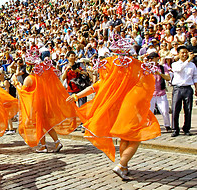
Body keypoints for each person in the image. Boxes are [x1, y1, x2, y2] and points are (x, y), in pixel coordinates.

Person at [66, 38, 161, 181]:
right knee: (135, 138)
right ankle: (122, 165)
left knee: (125, 137)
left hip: (119, 108)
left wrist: (76, 96)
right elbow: (147, 85)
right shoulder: (135, 70)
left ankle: (125, 166)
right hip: (131, 107)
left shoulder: (112, 73)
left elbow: (95, 87)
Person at [12, 52, 78, 153]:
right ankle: (56, 142)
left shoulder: (29, 79)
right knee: (46, 124)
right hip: (43, 104)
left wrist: (16, 83)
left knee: (39, 125)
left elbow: (23, 92)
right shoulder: (41, 78)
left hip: (36, 105)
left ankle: (43, 146)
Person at [170, 45, 197, 137]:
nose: (185, 54)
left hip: (188, 88)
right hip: (178, 88)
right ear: (179, 54)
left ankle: (186, 128)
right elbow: (178, 70)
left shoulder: (192, 65)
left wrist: (196, 88)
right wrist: (188, 60)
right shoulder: (175, 64)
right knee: (175, 109)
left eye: (186, 52)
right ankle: (175, 129)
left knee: (188, 109)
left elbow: (195, 77)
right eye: (183, 53)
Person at [147, 52, 172, 132]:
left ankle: (167, 125)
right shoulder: (147, 67)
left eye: (152, 58)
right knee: (150, 111)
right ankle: (150, 126)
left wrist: (159, 73)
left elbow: (168, 78)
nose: (150, 60)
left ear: (157, 58)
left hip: (161, 92)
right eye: (149, 58)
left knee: (164, 110)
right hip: (151, 93)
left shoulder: (162, 67)